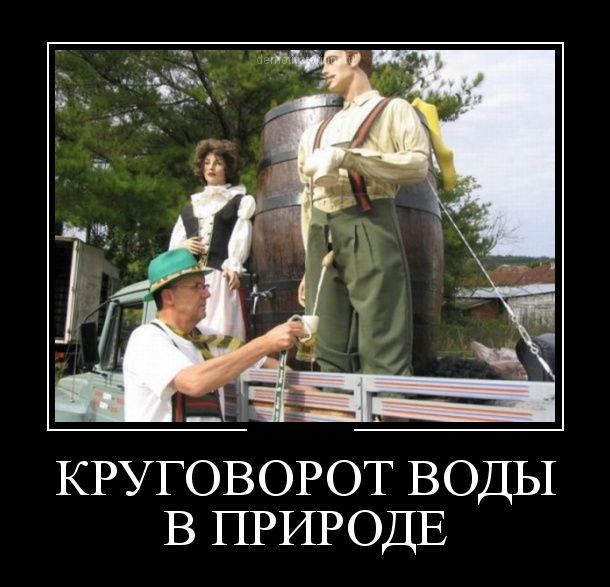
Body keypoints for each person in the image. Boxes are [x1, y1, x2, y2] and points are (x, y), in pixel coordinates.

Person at [297, 50, 430, 375]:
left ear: (355, 58)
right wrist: (307, 265)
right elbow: (307, 199)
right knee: (324, 340)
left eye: (331, 60)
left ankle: (386, 403)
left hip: (368, 220)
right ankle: (333, 400)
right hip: (320, 232)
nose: (324, 69)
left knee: (382, 336)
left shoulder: (393, 110)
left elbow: (417, 164)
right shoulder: (313, 132)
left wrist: (349, 158)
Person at [123, 249, 305, 422]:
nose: (207, 294)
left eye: (205, 286)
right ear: (169, 296)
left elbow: (264, 363)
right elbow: (193, 382)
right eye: (197, 287)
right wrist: (265, 343)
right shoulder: (146, 339)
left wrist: (316, 395)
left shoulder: (207, 337)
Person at [169, 139, 255, 342]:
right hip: (190, 283)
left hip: (220, 281)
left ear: (227, 168)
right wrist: (182, 247)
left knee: (219, 335)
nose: (211, 167)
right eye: (207, 163)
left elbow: (241, 236)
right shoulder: (190, 209)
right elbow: (172, 252)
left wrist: (234, 265)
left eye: (218, 163)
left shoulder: (239, 202)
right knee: (188, 336)